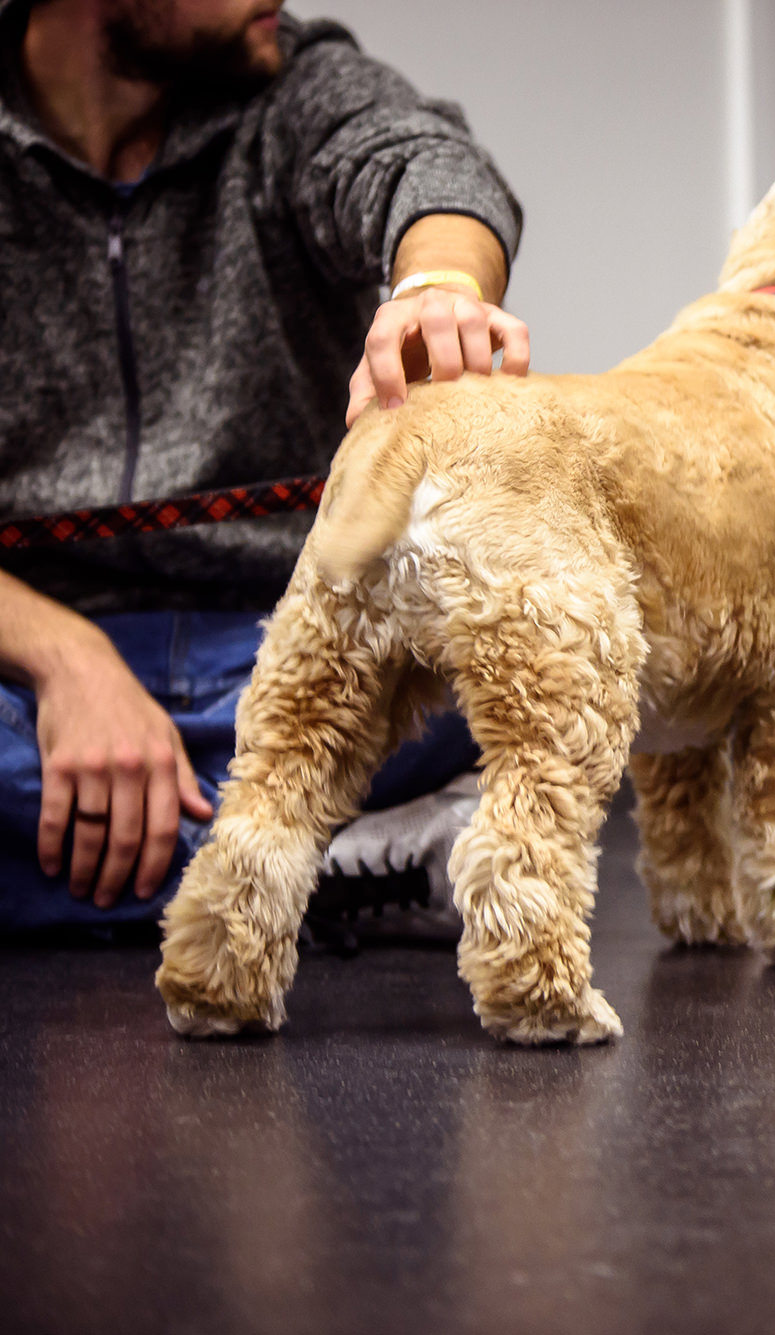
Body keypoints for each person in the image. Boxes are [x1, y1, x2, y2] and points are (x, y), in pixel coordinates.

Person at [0, 0, 530, 933]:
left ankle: (128, 862)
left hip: (289, 642)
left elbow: (427, 160)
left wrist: (436, 286)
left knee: (514, 649)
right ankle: (341, 867)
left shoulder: (290, 84)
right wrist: (65, 659)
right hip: (24, 669)